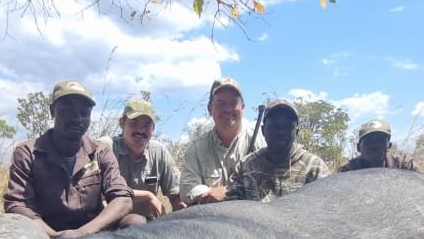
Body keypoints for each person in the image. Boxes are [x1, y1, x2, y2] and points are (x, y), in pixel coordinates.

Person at [3, 80, 134, 237]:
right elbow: (17, 204)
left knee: (135, 223)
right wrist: (54, 237)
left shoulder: (100, 152)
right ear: (52, 111)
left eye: (84, 113)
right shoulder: (27, 153)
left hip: (93, 236)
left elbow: (123, 200)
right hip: (46, 236)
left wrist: (81, 233)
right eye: (68, 111)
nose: (77, 119)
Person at [180, 77, 265, 205]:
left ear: (242, 107)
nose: (227, 109)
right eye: (221, 103)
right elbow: (187, 187)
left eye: (233, 103)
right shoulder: (197, 148)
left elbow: (269, 182)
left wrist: (229, 192)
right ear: (210, 108)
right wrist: (209, 194)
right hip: (211, 217)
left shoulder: (259, 141)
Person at [225, 99, 330, 202]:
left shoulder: (314, 167)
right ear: (263, 131)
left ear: (296, 132)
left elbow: (328, 208)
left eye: (287, 127)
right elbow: (231, 208)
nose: (280, 132)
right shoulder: (246, 165)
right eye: (274, 126)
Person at [97, 99, 183, 223]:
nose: (140, 130)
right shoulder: (105, 148)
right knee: (135, 221)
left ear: (153, 128)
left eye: (147, 125)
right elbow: (98, 192)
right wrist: (147, 196)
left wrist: (182, 214)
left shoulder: (159, 152)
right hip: (107, 221)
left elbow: (176, 195)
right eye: (134, 123)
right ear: (122, 123)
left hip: (147, 222)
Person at [337, 119, 420, 172]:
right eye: (369, 142)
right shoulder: (347, 171)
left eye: (380, 141)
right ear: (358, 147)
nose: (375, 146)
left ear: (389, 146)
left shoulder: (406, 166)